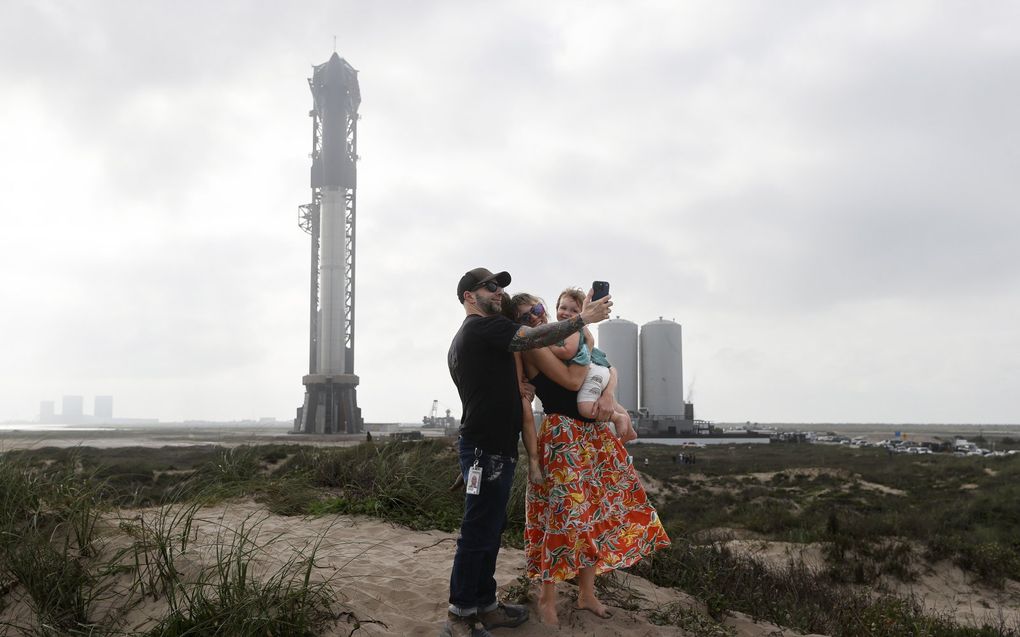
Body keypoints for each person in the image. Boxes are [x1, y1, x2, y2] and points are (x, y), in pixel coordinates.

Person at [443, 268, 612, 637]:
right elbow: (536, 338)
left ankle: (486, 606)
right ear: (470, 296)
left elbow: (479, 395)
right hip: (486, 450)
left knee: (490, 528)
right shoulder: (484, 327)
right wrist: (583, 319)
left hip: (490, 449)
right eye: (490, 287)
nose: (498, 291)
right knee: (478, 532)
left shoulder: (476, 338)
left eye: (500, 286)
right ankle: (459, 616)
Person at [514, 292, 670, 627]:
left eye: (539, 310)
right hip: (562, 435)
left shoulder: (567, 338)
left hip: (591, 435)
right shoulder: (533, 345)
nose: (535, 318)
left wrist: (610, 392)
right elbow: (571, 380)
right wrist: (533, 458)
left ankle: (587, 592)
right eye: (526, 316)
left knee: (592, 514)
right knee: (559, 517)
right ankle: (547, 596)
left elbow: (609, 367)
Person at [548, 288, 637, 443]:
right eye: (563, 308)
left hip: (592, 370)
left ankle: (617, 418)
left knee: (586, 407)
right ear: (556, 309)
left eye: (574, 310)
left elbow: (568, 352)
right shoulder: (573, 330)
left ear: (583, 314)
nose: (567, 313)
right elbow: (611, 369)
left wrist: (546, 345)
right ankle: (629, 431)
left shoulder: (572, 331)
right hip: (602, 369)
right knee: (613, 403)